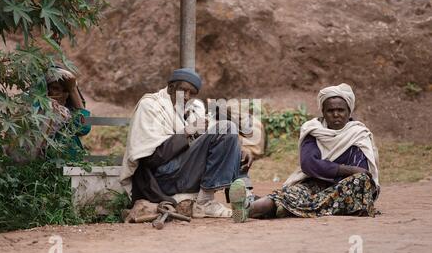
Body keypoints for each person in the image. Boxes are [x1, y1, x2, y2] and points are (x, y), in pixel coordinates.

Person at [229, 83, 380, 223]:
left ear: (349, 111)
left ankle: (284, 208)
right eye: (330, 110)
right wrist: (346, 169)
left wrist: (332, 171)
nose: (335, 114)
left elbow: (363, 173)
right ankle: (247, 210)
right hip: (312, 185)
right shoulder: (313, 130)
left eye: (340, 110)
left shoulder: (359, 134)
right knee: (286, 196)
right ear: (323, 112)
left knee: (359, 181)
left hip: (344, 189)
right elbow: (309, 165)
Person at [120, 68, 250, 218]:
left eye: (192, 93)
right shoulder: (150, 105)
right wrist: (187, 131)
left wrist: (239, 150)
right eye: (183, 90)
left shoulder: (194, 108)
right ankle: (206, 202)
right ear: (171, 88)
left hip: (183, 173)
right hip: (161, 178)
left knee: (230, 133)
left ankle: (247, 196)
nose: (187, 97)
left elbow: (216, 141)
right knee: (226, 128)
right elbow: (152, 159)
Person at [42, 66, 91, 157]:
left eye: (66, 90)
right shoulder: (39, 112)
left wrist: (72, 89)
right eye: (55, 88)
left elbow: (85, 128)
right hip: (47, 165)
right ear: (45, 89)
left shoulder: (69, 114)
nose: (60, 94)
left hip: (72, 167)